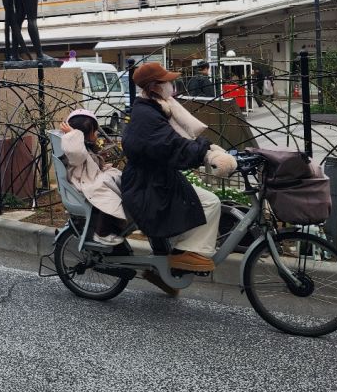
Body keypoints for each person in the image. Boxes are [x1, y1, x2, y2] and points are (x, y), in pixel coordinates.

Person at [120, 62, 235, 273]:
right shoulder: (147, 115)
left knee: (202, 202)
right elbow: (172, 146)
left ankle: (170, 265)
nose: (171, 85)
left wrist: (208, 148)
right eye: (167, 82)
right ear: (154, 87)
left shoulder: (155, 108)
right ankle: (186, 254)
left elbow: (179, 141)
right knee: (210, 202)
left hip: (155, 179)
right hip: (148, 186)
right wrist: (205, 154)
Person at [60, 108, 180, 297]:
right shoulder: (74, 148)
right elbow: (76, 153)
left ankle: (161, 263)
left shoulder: (84, 148)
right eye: (93, 131)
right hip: (91, 185)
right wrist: (73, 134)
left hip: (97, 179)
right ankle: (103, 233)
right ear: (81, 135)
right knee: (122, 199)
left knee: (134, 190)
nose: (97, 134)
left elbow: (91, 162)